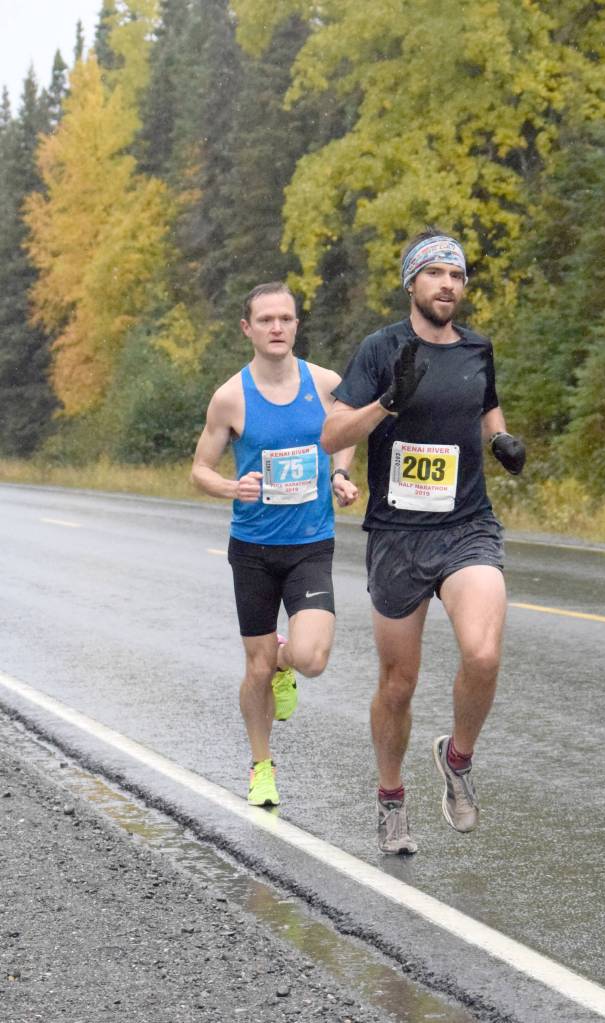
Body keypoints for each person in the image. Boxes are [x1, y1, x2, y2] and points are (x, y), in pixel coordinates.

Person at [320, 229, 525, 855]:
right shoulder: (381, 349)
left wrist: (499, 438)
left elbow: (486, 404)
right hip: (398, 536)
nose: (448, 285)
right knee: (398, 684)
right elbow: (332, 434)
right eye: (435, 273)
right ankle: (391, 798)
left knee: (483, 654)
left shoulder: (477, 348)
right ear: (412, 282)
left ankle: (457, 759)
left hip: (467, 525)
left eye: (457, 276)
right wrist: (387, 402)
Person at [191, 281, 359, 808]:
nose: (277, 327)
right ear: (248, 329)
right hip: (254, 549)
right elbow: (199, 470)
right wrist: (230, 487)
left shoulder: (326, 383)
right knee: (256, 668)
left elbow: (348, 431)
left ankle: (287, 665)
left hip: (311, 543)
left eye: (285, 318)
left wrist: (341, 474)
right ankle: (262, 767)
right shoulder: (231, 397)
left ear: (296, 325)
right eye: (265, 320)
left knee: (310, 658)